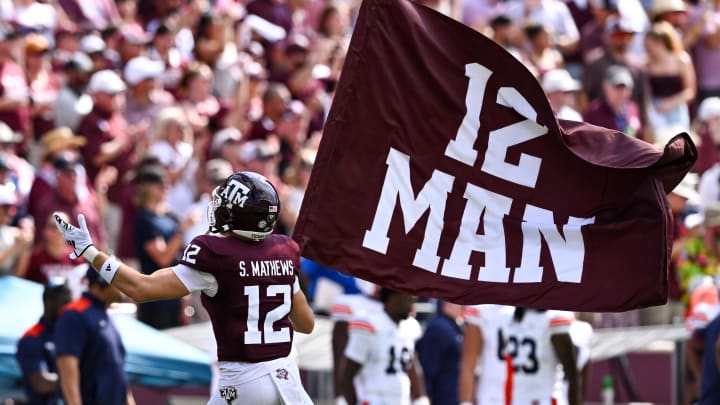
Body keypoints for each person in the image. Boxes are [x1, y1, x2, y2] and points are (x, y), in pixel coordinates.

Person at [53, 171, 315, 404]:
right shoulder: (283, 251)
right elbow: (306, 324)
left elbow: (140, 288)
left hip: (242, 383)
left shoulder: (216, 255)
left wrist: (90, 252)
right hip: (287, 379)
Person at [54, 268, 134, 405]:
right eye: (119, 281)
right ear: (100, 282)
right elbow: (68, 373)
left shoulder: (106, 316)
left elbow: (117, 371)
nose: (124, 286)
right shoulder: (74, 315)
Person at [340, 287, 428, 405]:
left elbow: (411, 367)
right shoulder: (370, 323)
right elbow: (347, 375)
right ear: (393, 297)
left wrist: (420, 400)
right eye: (409, 297)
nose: (412, 303)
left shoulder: (409, 327)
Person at [503, 308, 580, 405]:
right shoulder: (512, 316)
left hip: (544, 399)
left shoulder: (554, 317)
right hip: (516, 398)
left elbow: (572, 375)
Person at [16, 281, 72, 405]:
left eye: (69, 302)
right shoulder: (32, 336)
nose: (67, 307)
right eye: (63, 301)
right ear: (48, 301)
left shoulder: (70, 333)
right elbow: (40, 382)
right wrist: (78, 380)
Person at [458, 304, 514, 405]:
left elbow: (468, 365)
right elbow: (469, 364)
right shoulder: (482, 311)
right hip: (493, 395)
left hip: (528, 394)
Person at [415, 301, 464, 405]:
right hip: (442, 399)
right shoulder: (439, 328)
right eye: (457, 302)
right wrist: (426, 397)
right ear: (446, 305)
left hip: (452, 397)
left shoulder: (452, 325)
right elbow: (427, 367)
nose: (462, 306)